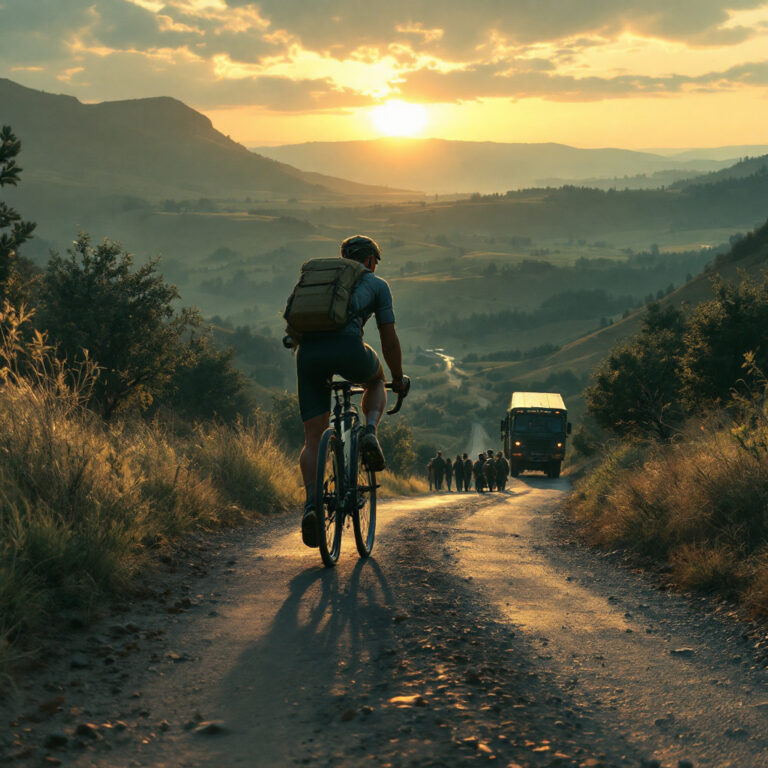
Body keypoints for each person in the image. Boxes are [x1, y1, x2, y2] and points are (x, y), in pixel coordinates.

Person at [292, 235, 409, 548]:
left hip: (308, 356)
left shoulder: (323, 282)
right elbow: (389, 340)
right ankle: (369, 431)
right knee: (374, 379)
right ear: (371, 260)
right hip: (349, 350)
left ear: (342, 258)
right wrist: (396, 378)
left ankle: (312, 506)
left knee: (313, 438)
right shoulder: (377, 284)